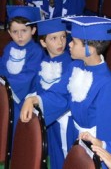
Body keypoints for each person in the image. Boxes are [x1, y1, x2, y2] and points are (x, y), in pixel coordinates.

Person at [20, 16, 111, 154]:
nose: (69, 44)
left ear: (90, 49)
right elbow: (60, 95)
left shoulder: (107, 84)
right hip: (74, 133)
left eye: (75, 42)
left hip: (92, 143)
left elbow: (110, 128)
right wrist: (34, 99)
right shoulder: (75, 66)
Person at [31, 18, 72, 169]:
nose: (60, 42)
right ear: (43, 43)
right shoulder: (43, 63)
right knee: (54, 152)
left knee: (65, 153)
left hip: (64, 118)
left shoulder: (70, 63)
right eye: (53, 38)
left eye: (63, 36)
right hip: (48, 116)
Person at [0, 6, 43, 133]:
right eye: (15, 32)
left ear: (33, 30)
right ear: (9, 32)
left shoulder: (36, 52)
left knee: (11, 125)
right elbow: (2, 66)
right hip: (6, 90)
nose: (19, 36)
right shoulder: (9, 47)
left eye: (24, 31)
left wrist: (4, 86)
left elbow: (27, 77)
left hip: (22, 97)